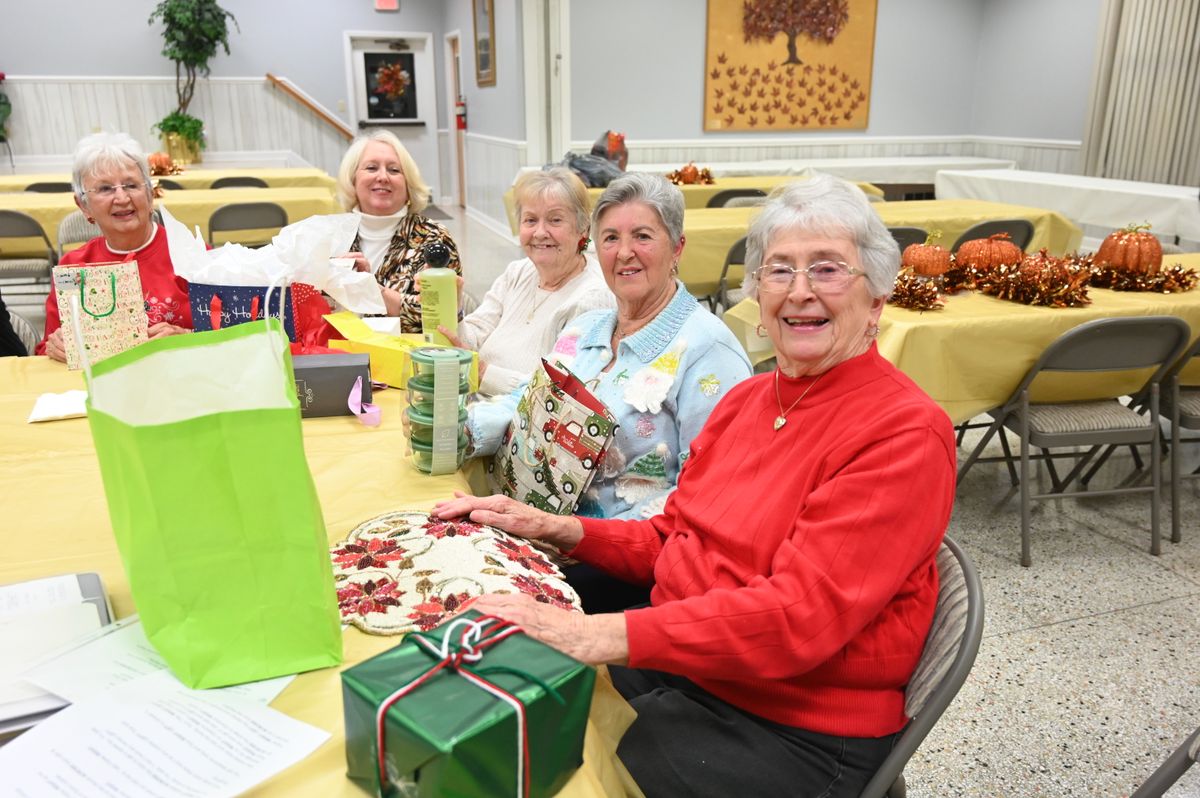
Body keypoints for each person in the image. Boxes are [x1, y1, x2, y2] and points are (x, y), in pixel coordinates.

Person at [435, 173, 957, 797]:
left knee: (551, 774)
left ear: (876, 299)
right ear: (757, 293)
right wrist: (558, 528)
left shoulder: (901, 431)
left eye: (827, 270)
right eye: (779, 271)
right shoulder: (749, 402)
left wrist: (597, 633)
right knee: (489, 711)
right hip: (691, 664)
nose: (800, 291)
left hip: (792, 723)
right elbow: (674, 536)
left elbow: (800, 618)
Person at [465, 172, 752, 609]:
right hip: (532, 531)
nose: (624, 252)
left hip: (615, 565)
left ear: (677, 247)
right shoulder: (586, 330)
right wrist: (461, 430)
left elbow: (708, 499)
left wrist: (567, 533)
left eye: (643, 236)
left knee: (472, 606)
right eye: (611, 238)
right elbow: (523, 399)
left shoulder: (708, 352)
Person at [440, 167, 613, 396]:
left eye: (555, 220)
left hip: (519, 416)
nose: (540, 232)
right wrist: (453, 311)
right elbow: (473, 339)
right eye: (530, 220)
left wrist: (481, 374)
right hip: (475, 400)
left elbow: (560, 392)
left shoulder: (593, 298)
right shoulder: (518, 272)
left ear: (583, 229)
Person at [37, 132, 191, 361]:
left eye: (131, 185)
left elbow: (234, 334)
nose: (122, 198)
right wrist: (55, 347)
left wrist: (187, 337)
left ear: (150, 195)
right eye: (105, 189)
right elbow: (45, 350)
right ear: (83, 205)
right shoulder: (73, 267)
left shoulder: (191, 254)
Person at [334, 130, 461, 332]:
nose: (383, 177)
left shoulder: (433, 238)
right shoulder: (333, 237)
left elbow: (441, 317)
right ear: (353, 180)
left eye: (394, 170)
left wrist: (370, 288)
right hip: (337, 349)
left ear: (408, 185)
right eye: (371, 168)